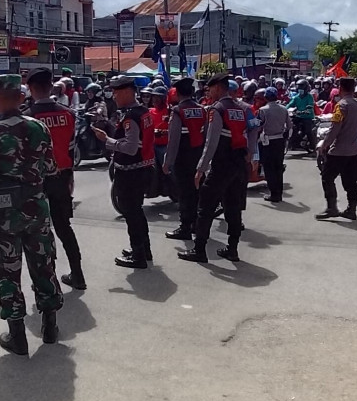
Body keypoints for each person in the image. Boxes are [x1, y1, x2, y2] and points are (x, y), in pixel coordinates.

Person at [0, 74, 65, 356]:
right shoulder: (39, 128)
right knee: (43, 265)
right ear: (21, 99)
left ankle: (17, 336)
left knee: (8, 272)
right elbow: (50, 168)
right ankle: (49, 326)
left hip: (4, 213)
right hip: (37, 207)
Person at [179, 75, 257, 263]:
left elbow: (211, 142)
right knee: (233, 208)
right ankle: (232, 249)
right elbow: (251, 132)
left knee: (205, 208)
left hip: (222, 165)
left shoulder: (217, 109)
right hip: (239, 164)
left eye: (211, 88)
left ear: (219, 88)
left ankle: (199, 250)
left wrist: (201, 168)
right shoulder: (241, 109)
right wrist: (251, 156)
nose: (209, 92)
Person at [24, 69, 85, 291]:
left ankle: (46, 280)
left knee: (39, 231)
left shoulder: (28, 117)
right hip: (62, 179)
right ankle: (78, 275)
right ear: (51, 87)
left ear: (31, 89)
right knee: (64, 228)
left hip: (37, 182)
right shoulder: (68, 114)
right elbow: (71, 148)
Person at [94, 75, 155, 268]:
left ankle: (138, 255)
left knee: (131, 213)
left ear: (128, 92)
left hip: (130, 171)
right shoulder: (142, 111)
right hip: (143, 168)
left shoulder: (131, 116)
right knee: (137, 211)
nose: (113, 96)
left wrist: (107, 141)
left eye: (116, 92)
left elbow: (130, 147)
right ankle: (143, 249)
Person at [163, 77, 205, 242]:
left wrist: (167, 162)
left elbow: (173, 140)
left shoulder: (177, 111)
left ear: (177, 93)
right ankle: (196, 224)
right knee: (196, 191)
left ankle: (185, 227)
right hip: (198, 155)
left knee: (184, 193)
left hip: (182, 157)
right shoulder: (202, 109)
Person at [316, 77, 357, 220]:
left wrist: (324, 145)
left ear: (340, 88)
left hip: (338, 150)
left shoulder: (341, 105)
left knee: (327, 177)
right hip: (353, 149)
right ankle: (352, 208)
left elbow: (335, 128)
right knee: (350, 180)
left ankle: (332, 208)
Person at [257, 87, 290, 202]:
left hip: (267, 142)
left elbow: (258, 125)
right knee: (278, 167)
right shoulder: (284, 109)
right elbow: (289, 127)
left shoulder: (263, 110)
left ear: (266, 97)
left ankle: (274, 194)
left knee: (269, 168)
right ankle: (279, 193)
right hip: (280, 141)